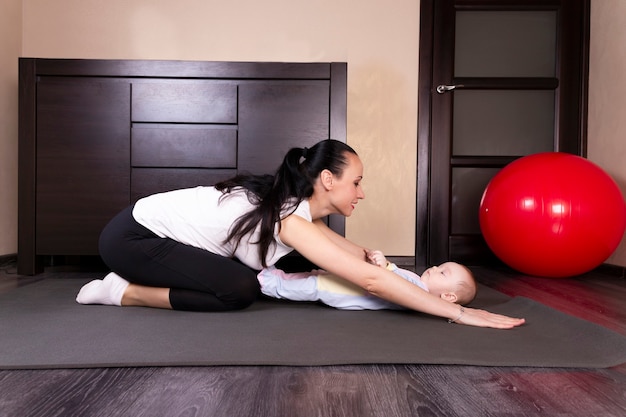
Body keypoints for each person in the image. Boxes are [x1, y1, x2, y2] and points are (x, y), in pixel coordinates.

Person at [76, 139, 524, 329]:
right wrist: (458, 315)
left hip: (147, 236)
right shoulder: (291, 217)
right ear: (327, 180)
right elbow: (369, 280)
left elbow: (359, 257)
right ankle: (122, 291)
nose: (361, 193)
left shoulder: (298, 212)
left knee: (266, 273)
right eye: (356, 182)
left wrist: (394, 269)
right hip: (132, 238)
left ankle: (132, 284)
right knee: (239, 289)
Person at [258, 250, 476, 310]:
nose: (435, 268)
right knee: (315, 277)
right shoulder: (417, 280)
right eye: (441, 266)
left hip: (350, 291)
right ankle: (277, 276)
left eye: (443, 273)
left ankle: (272, 285)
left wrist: (385, 265)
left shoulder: (418, 292)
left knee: (313, 286)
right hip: (353, 281)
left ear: (448, 295)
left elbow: (395, 283)